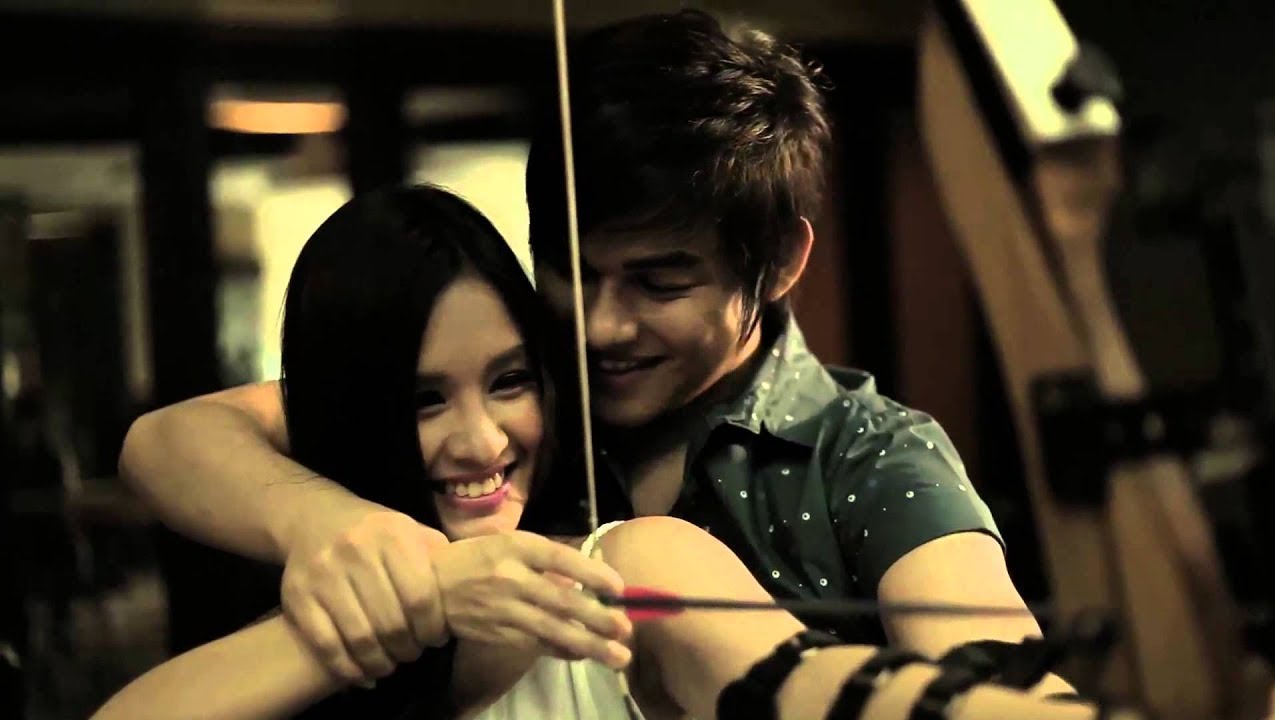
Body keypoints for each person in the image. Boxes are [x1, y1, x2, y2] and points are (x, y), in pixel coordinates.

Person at [118, 9, 1066, 695]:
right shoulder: (512, 399)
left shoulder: (869, 450)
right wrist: (331, 528)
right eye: (571, 270)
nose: (602, 327)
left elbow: (997, 668)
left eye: (659, 283)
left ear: (779, 262)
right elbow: (171, 442)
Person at [96, 184, 1101, 720]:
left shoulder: (625, 567)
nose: (482, 441)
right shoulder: (317, 630)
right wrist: (411, 587)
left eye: (509, 381)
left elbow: (803, 685)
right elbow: (165, 440)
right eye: (423, 399)